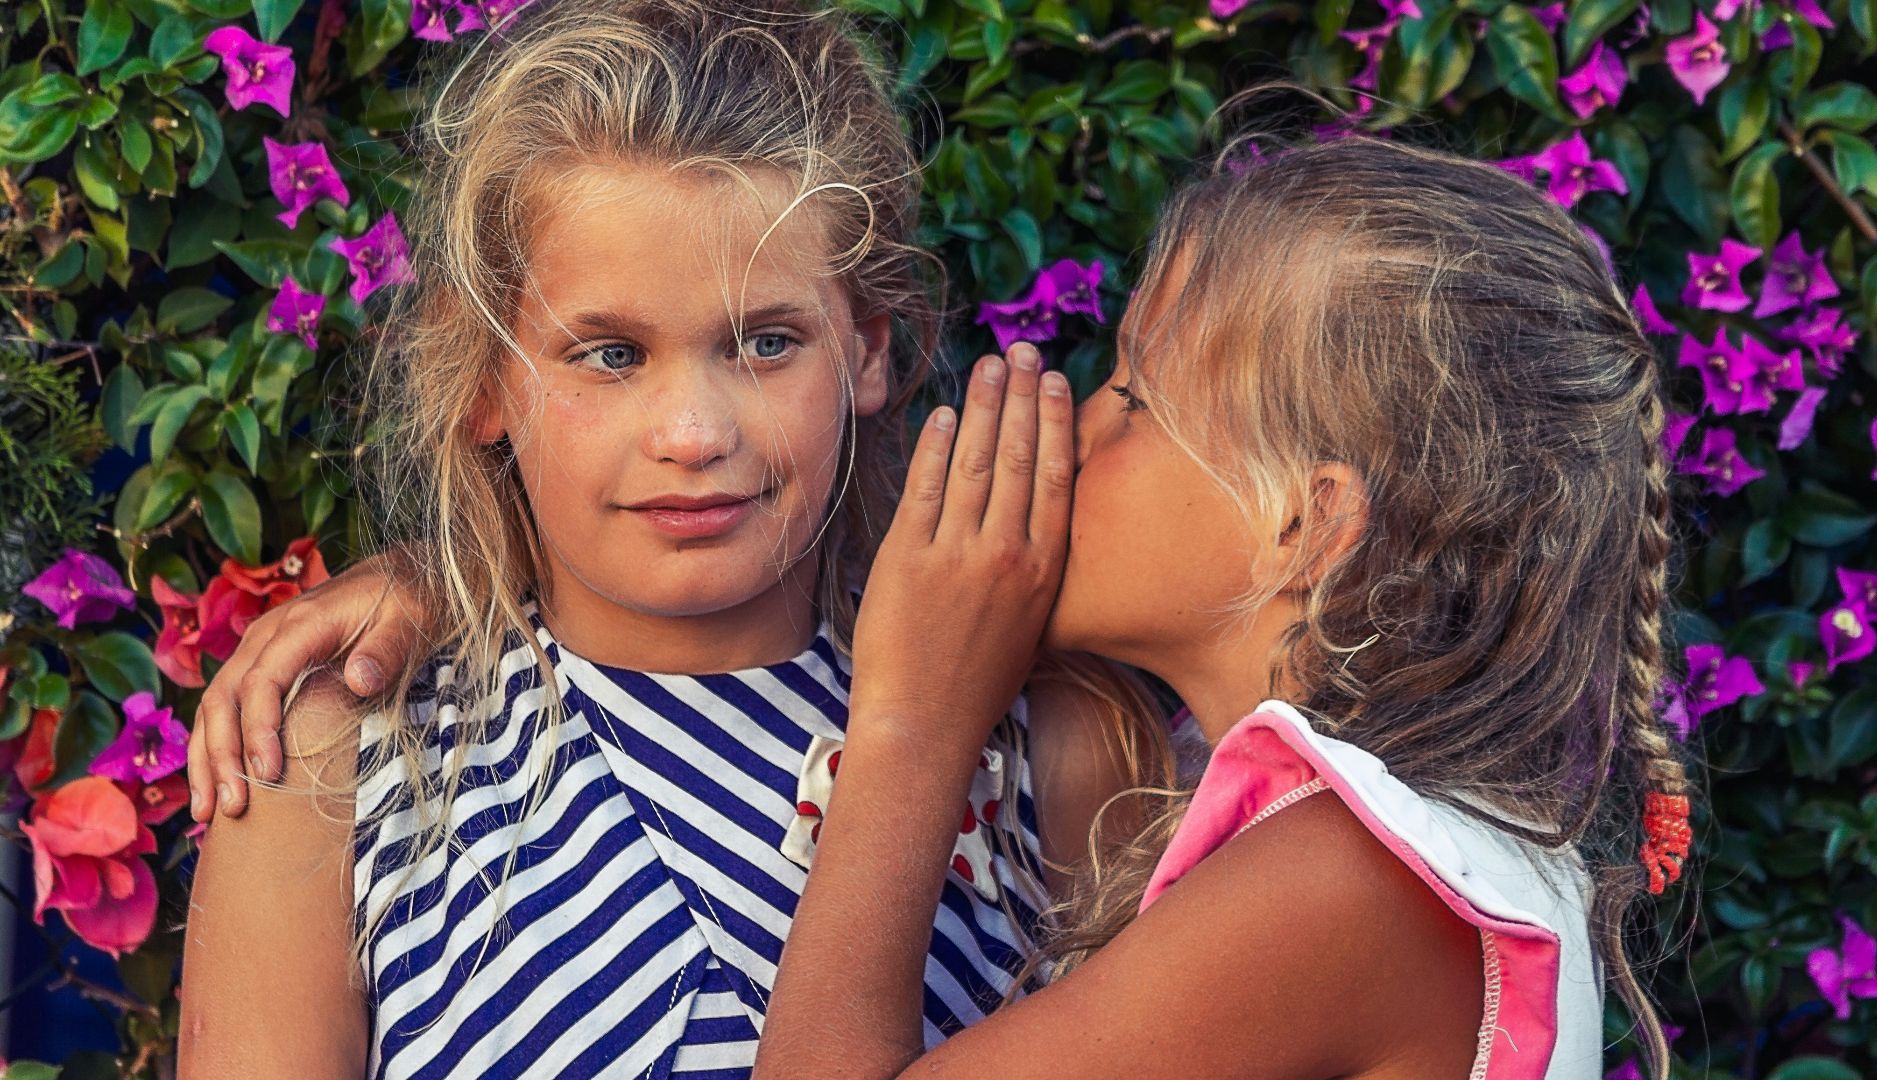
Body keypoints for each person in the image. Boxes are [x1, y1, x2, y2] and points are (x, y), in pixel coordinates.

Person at [176, 2, 1160, 1075]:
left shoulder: (1044, 755)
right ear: (486, 379)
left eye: (766, 342)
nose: (693, 435)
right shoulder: (332, 762)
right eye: (608, 354)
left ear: (867, 351)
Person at [753, 136, 1692, 1079]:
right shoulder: (1376, 839)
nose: (1074, 431)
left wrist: (912, 717)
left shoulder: (1342, 884)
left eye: (1133, 399)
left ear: (1307, 524)